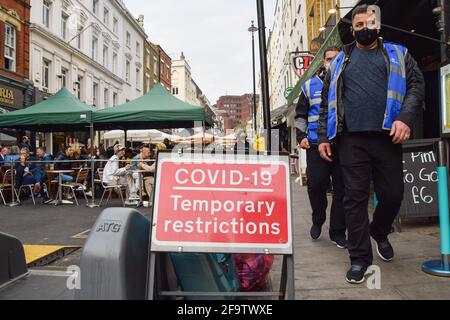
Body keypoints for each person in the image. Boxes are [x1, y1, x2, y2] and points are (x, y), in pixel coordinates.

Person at [317, 5, 425, 284]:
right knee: (354, 200)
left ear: (379, 26)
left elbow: (416, 85)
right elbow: (326, 101)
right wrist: (323, 137)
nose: (364, 28)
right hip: (351, 140)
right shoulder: (340, 60)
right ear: (352, 29)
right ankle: (359, 258)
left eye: (370, 23)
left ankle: (379, 231)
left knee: (392, 196)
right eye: (359, 24)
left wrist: (405, 118)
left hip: (387, 136)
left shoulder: (399, 54)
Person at [295, 46, 347, 249]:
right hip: (316, 144)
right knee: (316, 186)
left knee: (342, 190)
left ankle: (337, 231)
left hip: (341, 145)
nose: (331, 62)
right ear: (323, 62)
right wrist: (301, 136)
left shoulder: (346, 82)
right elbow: (300, 115)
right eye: (328, 59)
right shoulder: (309, 86)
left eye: (336, 59)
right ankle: (318, 218)